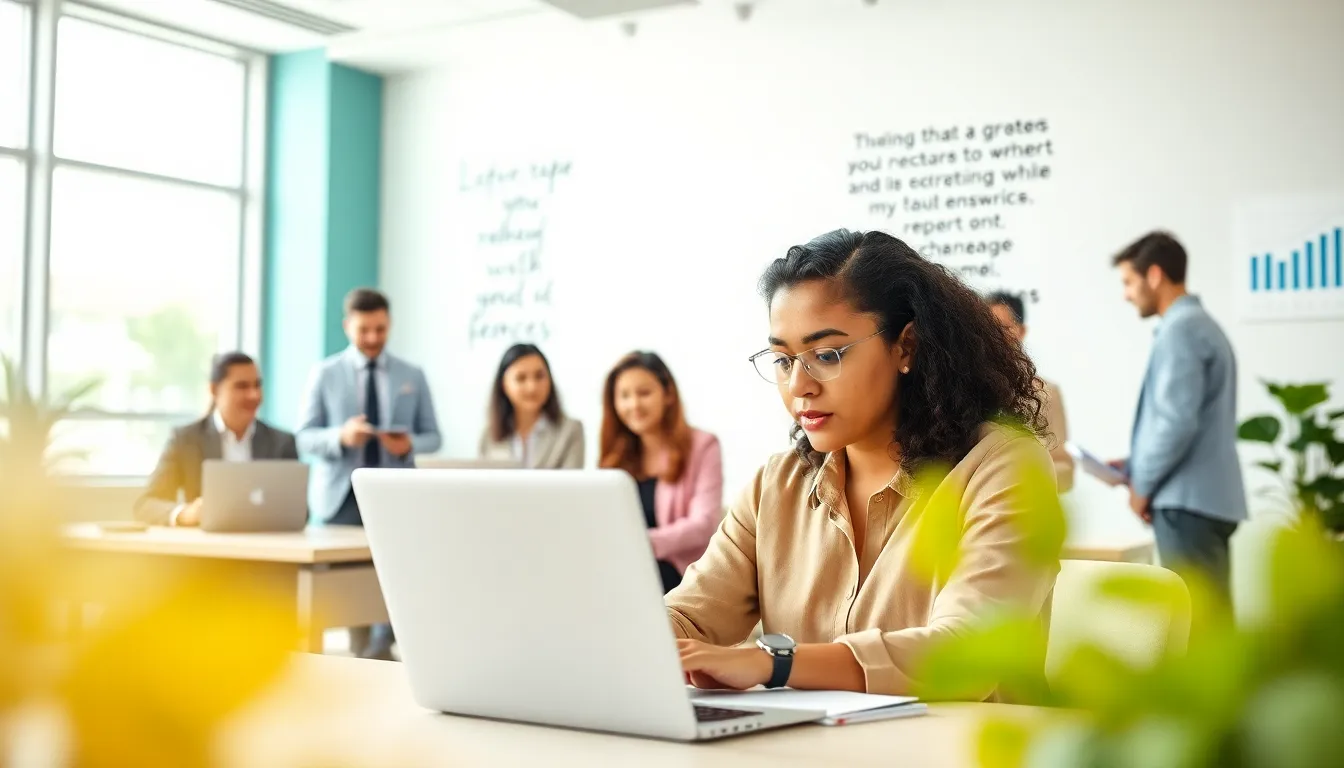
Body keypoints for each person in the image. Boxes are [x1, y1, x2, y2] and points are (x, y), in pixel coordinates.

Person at [668, 229, 1062, 700]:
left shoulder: (1003, 467)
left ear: (906, 347)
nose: (799, 385)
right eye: (782, 359)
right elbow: (689, 615)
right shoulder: (778, 484)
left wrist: (773, 663)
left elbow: (964, 656)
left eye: (827, 354)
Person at [297, 287, 441, 660]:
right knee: (349, 581)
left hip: (397, 494)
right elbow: (305, 437)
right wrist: (340, 436)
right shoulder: (324, 373)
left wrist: (408, 445)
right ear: (348, 326)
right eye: (365, 330)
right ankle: (361, 649)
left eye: (380, 329)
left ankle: (382, 646)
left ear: (389, 324)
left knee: (397, 572)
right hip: (341, 496)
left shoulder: (412, 375)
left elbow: (434, 436)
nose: (373, 338)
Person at [1108, 232, 1245, 598]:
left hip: (1187, 502)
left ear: (1154, 275)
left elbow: (1175, 422)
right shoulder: (1199, 325)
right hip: (1203, 499)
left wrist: (1142, 486)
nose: (1126, 294)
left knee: (1197, 627)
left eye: (1129, 282)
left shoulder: (1181, 330)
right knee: (1210, 621)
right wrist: (1135, 464)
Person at [599, 352, 722, 594]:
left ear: (667, 395)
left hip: (678, 575)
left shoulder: (703, 445)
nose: (633, 404)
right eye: (624, 396)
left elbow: (703, 524)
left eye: (644, 393)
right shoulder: (615, 455)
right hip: (624, 569)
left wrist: (641, 542)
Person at [135, 352, 298, 526]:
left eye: (257, 385)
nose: (254, 395)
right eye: (242, 386)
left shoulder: (281, 442)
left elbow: (300, 511)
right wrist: (185, 513)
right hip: (206, 547)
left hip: (268, 547)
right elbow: (146, 505)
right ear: (214, 390)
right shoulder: (186, 440)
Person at [986, 291, 1076, 492]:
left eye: (1003, 328)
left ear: (1021, 331)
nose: (994, 337)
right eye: (986, 329)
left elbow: (1064, 469)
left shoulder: (1046, 393)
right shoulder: (965, 390)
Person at [478, 344, 584, 469]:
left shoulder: (570, 431)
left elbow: (571, 485)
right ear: (504, 385)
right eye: (521, 378)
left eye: (539, 376)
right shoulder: (489, 435)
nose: (532, 387)